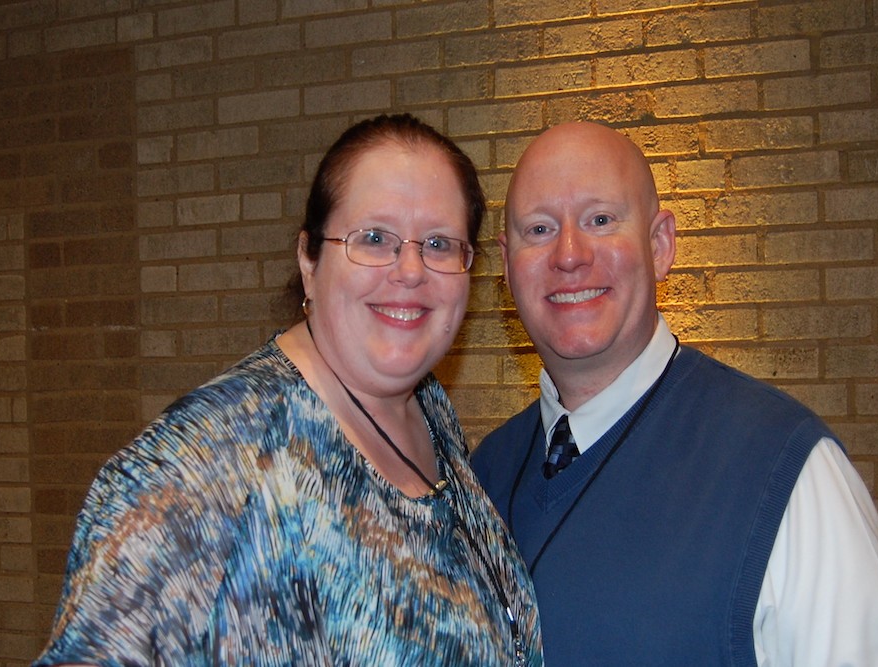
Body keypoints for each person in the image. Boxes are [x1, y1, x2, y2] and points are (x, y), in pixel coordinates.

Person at [35, 114, 542, 666]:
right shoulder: (208, 459)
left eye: (439, 243)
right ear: (309, 259)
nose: (411, 269)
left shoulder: (428, 411)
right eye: (374, 238)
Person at [471, 121, 878, 666]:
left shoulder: (784, 471)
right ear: (507, 266)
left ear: (660, 245)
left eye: (600, 220)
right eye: (539, 229)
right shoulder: (483, 476)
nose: (569, 254)